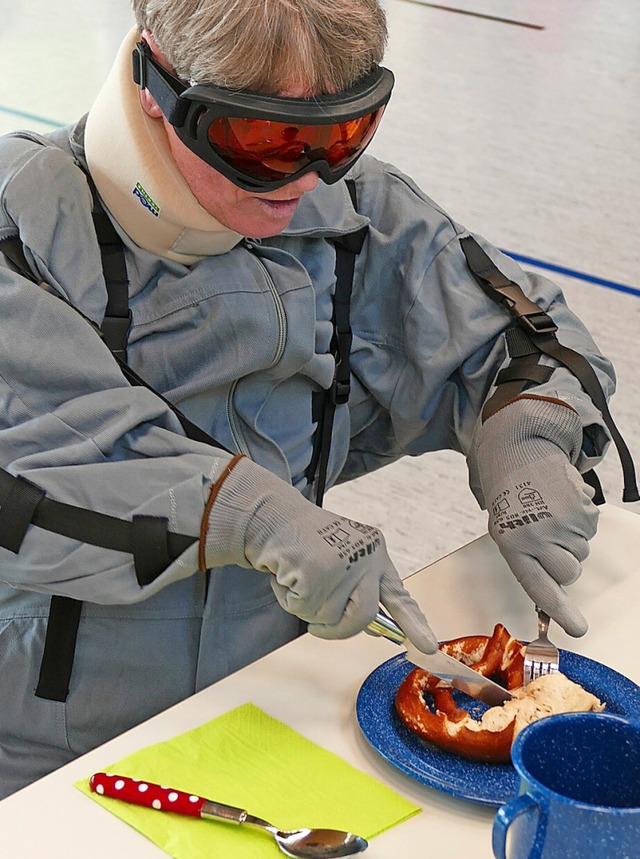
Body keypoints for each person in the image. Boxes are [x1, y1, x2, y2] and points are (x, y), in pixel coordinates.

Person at [0, 0, 633, 799]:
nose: (305, 179)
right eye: (262, 141)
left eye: (342, 135)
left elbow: (513, 332)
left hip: (275, 690)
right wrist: (252, 517)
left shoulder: (346, 210)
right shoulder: (22, 228)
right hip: (51, 732)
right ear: (155, 85)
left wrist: (530, 432)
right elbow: (47, 456)